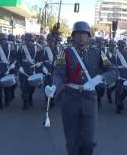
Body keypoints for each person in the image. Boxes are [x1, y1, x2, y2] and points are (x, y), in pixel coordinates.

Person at [45, 21, 117, 155]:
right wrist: (54, 86)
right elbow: (59, 73)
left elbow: (113, 70)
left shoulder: (97, 53)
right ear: (73, 36)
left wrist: (100, 78)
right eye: (78, 33)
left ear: (89, 36)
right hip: (70, 99)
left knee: (88, 141)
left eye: (84, 34)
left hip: (90, 99)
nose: (81, 36)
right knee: (72, 141)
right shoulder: (65, 53)